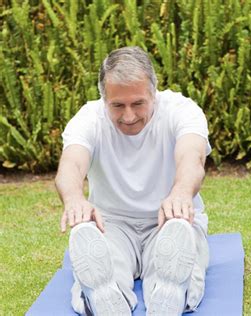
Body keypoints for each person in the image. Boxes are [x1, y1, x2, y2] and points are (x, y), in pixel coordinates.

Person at [55, 46, 211, 316]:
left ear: (154, 92)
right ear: (104, 100)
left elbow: (192, 156)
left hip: (170, 219)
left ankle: (172, 292)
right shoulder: (89, 117)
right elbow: (71, 163)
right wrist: (74, 199)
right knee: (105, 268)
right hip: (111, 223)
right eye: (117, 105)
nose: (128, 116)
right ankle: (103, 295)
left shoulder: (182, 110)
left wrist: (181, 193)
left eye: (138, 103)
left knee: (178, 251)